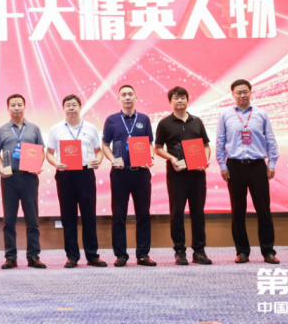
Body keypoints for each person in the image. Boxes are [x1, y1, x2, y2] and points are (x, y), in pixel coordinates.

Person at [216, 79, 280, 265]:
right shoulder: (225, 115)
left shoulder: (261, 114)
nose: (242, 95)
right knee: (238, 211)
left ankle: (268, 251)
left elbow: (270, 139)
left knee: (263, 209)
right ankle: (242, 251)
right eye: (238, 92)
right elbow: (220, 141)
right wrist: (222, 166)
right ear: (233, 94)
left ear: (250, 92)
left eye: (245, 92)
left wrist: (272, 163)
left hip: (257, 166)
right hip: (234, 166)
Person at [46, 94, 107, 268]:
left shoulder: (90, 127)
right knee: (68, 216)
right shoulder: (56, 129)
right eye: (68, 105)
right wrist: (56, 164)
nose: (71, 108)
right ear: (63, 108)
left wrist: (98, 160)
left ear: (80, 107)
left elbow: (99, 150)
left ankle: (92, 256)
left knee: (89, 216)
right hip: (65, 175)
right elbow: (49, 153)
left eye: (74, 105)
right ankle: (72, 256)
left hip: (85, 174)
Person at [155, 87, 213, 266]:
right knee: (177, 213)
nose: (179, 100)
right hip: (177, 175)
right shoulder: (164, 123)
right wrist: (172, 158)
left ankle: (199, 251)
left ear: (188, 100)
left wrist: (204, 160)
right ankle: (179, 251)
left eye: (182, 97)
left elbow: (206, 146)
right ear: (170, 101)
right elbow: (158, 148)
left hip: (197, 174)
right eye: (176, 98)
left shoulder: (197, 121)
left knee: (198, 212)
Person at [101, 84, 156, 267]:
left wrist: (151, 157)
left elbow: (149, 143)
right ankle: (121, 255)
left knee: (143, 214)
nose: (127, 97)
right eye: (123, 95)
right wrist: (112, 160)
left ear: (136, 98)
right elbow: (105, 145)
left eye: (130, 94)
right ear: (118, 99)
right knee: (119, 215)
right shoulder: (111, 120)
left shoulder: (144, 119)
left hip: (141, 173)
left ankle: (143, 254)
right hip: (120, 174)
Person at [0, 94, 47, 270]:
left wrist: (38, 165)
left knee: (32, 219)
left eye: (19, 105)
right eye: (13, 105)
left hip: (29, 178)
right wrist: (1, 166)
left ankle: (33, 256)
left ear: (24, 106)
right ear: (8, 108)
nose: (16, 108)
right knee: (9, 220)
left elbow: (41, 151)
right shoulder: (2, 130)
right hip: (9, 179)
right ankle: (10, 257)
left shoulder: (34, 129)